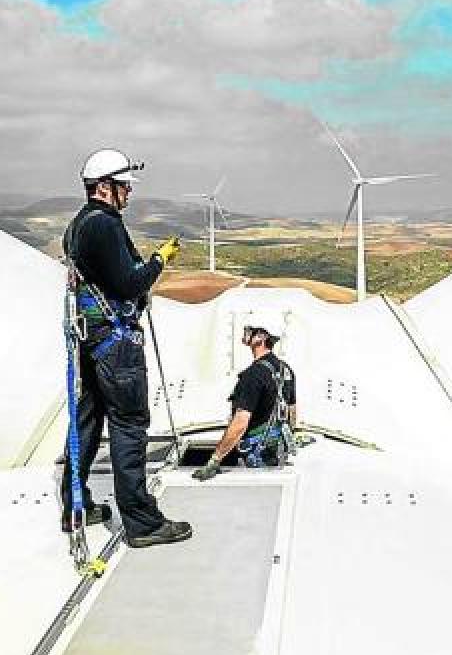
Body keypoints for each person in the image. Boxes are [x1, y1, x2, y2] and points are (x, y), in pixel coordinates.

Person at [61, 148, 192, 549]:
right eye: (123, 187)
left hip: (90, 343)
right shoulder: (104, 225)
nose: (128, 195)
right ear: (104, 187)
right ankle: (141, 522)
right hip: (117, 346)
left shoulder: (77, 226)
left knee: (85, 425)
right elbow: (131, 282)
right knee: (129, 427)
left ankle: (74, 506)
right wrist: (158, 261)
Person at [192, 325, 296, 481]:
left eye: (250, 331)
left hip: (256, 451)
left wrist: (215, 460)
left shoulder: (253, 375)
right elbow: (292, 411)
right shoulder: (285, 369)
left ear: (261, 338)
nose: (245, 333)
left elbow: (240, 423)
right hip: (277, 448)